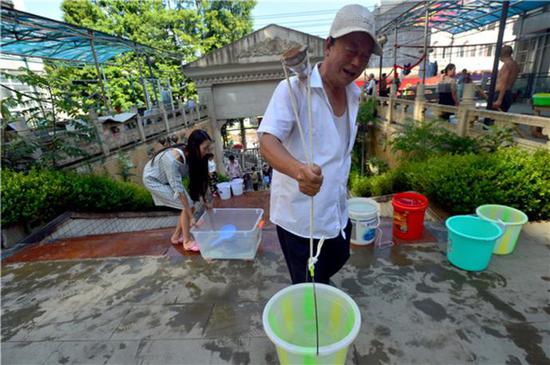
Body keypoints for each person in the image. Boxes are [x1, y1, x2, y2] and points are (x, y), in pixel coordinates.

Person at [257, 4, 382, 284]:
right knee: (309, 287)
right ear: (328, 45)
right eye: (351, 50)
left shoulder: (353, 94)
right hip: (301, 219)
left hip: (336, 209)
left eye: (365, 56)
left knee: (337, 258)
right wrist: (298, 170)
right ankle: (313, 322)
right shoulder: (293, 89)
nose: (357, 62)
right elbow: (267, 140)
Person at [142, 129, 212, 251]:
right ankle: (187, 241)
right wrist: (191, 218)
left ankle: (175, 237)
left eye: (208, 148)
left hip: (165, 179)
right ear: (195, 146)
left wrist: (204, 199)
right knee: (187, 206)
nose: (207, 152)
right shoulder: (173, 160)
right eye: (205, 148)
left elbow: (199, 178)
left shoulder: (192, 155)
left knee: (190, 206)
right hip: (153, 180)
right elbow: (179, 191)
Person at [493, 45, 520, 113]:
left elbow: (504, 83)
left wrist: (499, 99)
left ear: (503, 54)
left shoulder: (507, 65)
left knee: (492, 118)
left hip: (502, 94)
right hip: (507, 94)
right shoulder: (515, 65)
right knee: (499, 118)